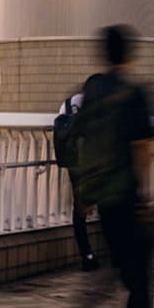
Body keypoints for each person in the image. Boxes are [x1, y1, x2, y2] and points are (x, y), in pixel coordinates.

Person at [71, 25, 154, 308]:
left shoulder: (91, 91)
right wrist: (146, 195)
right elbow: (143, 148)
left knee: (122, 271)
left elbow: (79, 138)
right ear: (130, 54)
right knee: (139, 283)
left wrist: (85, 192)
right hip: (128, 198)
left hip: (102, 198)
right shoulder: (135, 93)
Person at [55, 89, 99, 269]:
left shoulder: (65, 105)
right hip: (93, 161)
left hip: (73, 162)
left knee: (79, 209)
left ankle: (86, 255)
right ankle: (117, 255)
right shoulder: (96, 104)